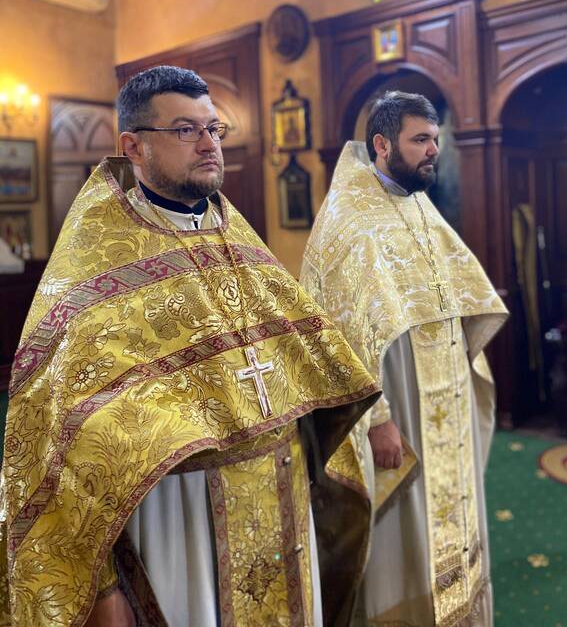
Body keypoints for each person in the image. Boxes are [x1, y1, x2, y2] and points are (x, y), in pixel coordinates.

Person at [0, 66, 380, 627]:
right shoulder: (94, 264)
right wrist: (103, 588)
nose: (208, 145)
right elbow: (57, 440)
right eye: (185, 130)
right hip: (178, 515)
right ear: (133, 146)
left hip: (279, 492)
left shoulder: (236, 238)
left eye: (213, 129)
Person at [300, 92, 508, 627]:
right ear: (382, 144)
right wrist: (377, 418)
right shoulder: (347, 220)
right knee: (403, 532)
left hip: (444, 394)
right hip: (399, 400)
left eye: (434, 139)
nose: (433, 150)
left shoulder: (417, 203)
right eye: (420, 140)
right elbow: (339, 333)